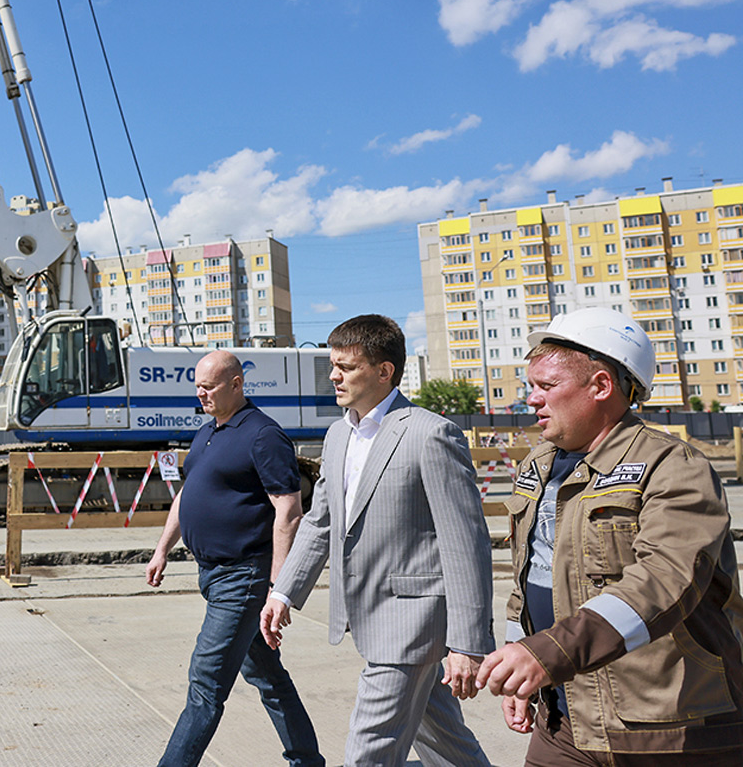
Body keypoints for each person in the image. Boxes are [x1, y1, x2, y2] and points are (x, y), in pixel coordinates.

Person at [476, 308, 743, 764]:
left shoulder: (673, 467)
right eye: (531, 386)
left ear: (600, 386)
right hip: (563, 719)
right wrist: (518, 659)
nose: (532, 400)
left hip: (668, 724)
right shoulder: (536, 466)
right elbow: (530, 578)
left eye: (547, 386)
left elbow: (665, 577)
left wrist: (550, 652)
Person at [260, 314, 494, 766]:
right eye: (333, 365)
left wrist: (468, 643)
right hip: (369, 618)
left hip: (413, 622)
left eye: (345, 367)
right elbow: (320, 523)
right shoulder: (337, 435)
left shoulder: (430, 433)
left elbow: (466, 543)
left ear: (384, 371)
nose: (333, 375)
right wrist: (284, 590)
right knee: (448, 746)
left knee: (368, 753)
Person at [146, 349, 324, 767]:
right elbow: (187, 494)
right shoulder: (208, 431)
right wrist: (162, 549)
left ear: (237, 384)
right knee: (267, 675)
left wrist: (280, 589)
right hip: (212, 573)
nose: (201, 394)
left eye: (208, 387)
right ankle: (307, 760)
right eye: (198, 387)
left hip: (243, 577)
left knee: (205, 683)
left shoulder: (263, 435)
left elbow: (288, 511)